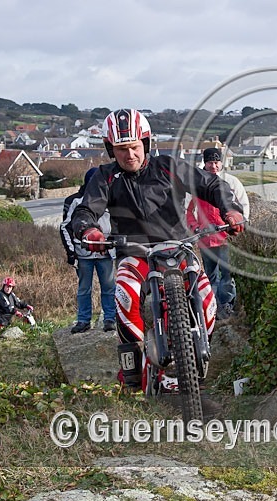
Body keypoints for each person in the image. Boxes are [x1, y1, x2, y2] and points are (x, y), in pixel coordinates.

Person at [71, 109, 245, 391]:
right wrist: (88, 230)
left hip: (179, 249)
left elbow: (212, 184)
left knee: (207, 298)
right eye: (121, 149)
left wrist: (231, 210)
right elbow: (86, 209)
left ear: (146, 143)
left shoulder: (168, 166)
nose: (130, 155)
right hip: (134, 252)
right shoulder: (104, 177)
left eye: (135, 147)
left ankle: (198, 356)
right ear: (110, 149)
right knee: (125, 297)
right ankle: (133, 362)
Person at [186, 147, 250, 320]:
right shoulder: (196, 184)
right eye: (210, 162)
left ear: (221, 163)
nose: (213, 166)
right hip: (205, 239)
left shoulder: (232, 182)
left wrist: (238, 224)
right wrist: (194, 228)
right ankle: (212, 307)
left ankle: (227, 305)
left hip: (225, 237)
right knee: (209, 275)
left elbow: (243, 204)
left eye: (216, 162)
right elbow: (188, 211)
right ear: (204, 163)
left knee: (227, 274)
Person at [60, 168, 117, 334]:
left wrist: (116, 246)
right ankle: (84, 320)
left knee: (109, 287)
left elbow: (117, 224)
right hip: (83, 254)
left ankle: (110, 319)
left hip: (106, 253)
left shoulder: (110, 200)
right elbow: (65, 227)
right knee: (84, 289)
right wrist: (71, 253)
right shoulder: (74, 201)